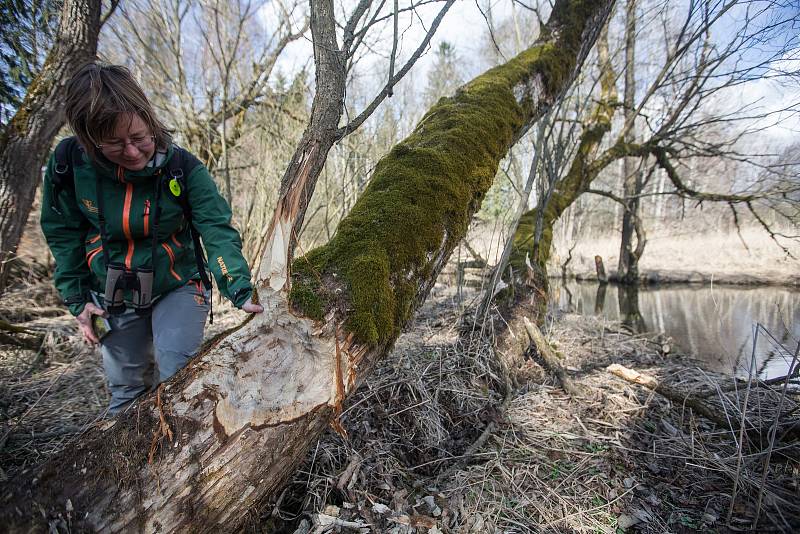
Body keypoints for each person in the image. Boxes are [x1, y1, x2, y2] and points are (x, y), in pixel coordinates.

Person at [40, 62, 263, 415]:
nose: (131, 152)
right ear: (89, 139)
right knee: (126, 393)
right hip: (112, 290)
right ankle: (128, 465)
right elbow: (62, 231)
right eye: (114, 144)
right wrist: (76, 298)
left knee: (178, 378)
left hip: (178, 282)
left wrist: (238, 285)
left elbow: (216, 228)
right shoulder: (69, 166)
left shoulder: (183, 168)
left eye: (138, 138)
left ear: (150, 121)